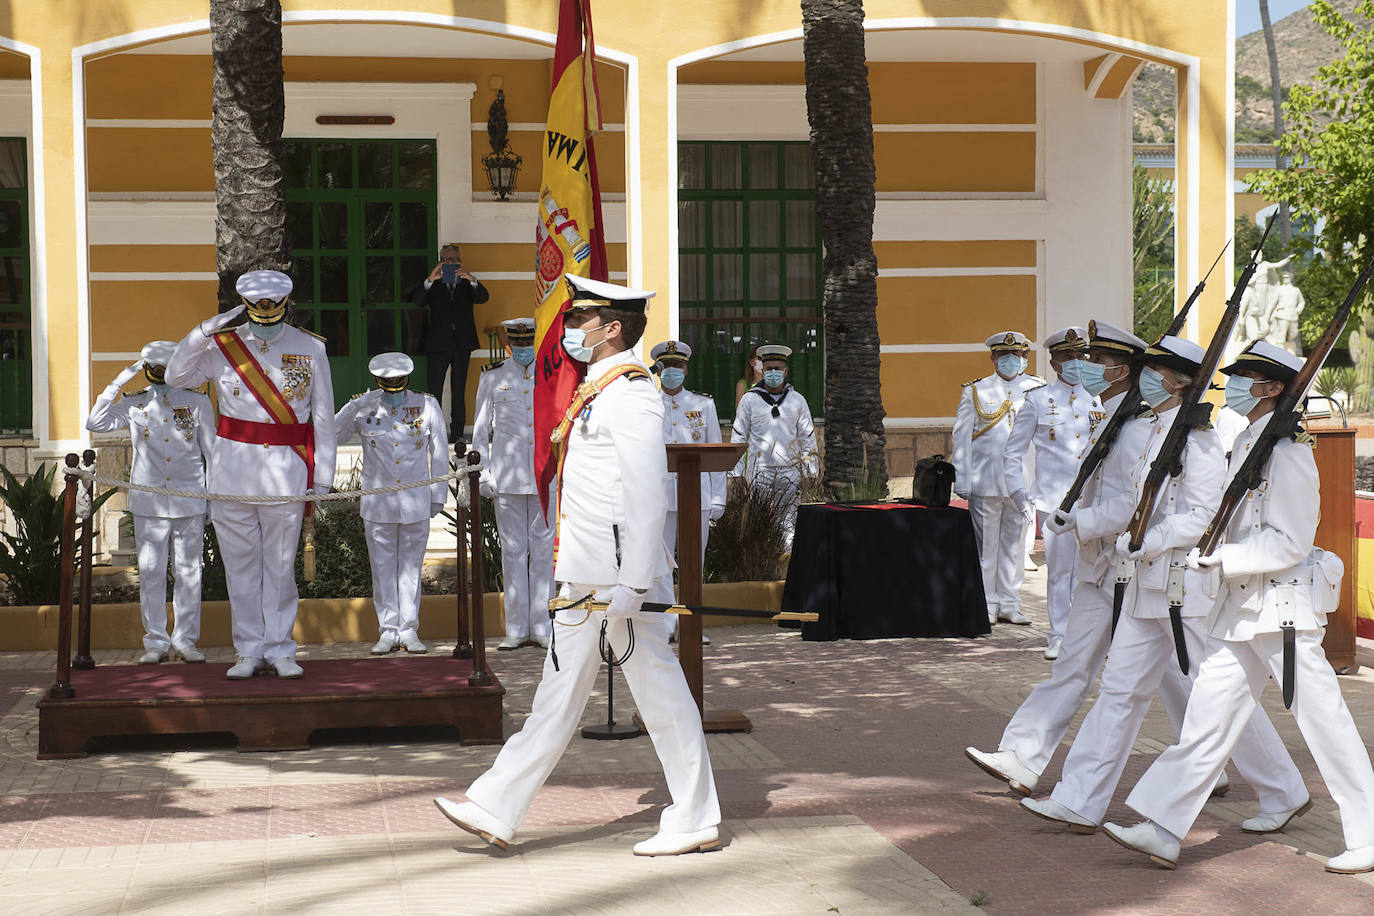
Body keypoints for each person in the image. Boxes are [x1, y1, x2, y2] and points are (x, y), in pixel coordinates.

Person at [434, 274, 721, 857]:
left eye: (577, 320)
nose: (565, 329)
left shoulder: (633, 392)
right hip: (586, 572)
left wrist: (635, 582)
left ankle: (694, 816)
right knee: (557, 693)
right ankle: (496, 804)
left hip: (619, 578)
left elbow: (645, 492)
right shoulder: (600, 387)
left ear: (611, 329)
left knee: (660, 695)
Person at [1017, 336, 1305, 837]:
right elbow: (1136, 500)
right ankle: (1078, 799)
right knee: (1119, 691)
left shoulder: (1199, 442)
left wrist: (1150, 540)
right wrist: (1099, 526)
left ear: (1178, 382)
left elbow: (1202, 515)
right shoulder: (1154, 430)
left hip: (1185, 590)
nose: (1145, 378)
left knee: (1217, 697)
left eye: (1155, 371)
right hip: (1145, 584)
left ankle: (1283, 788)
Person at [1106, 340, 1374, 874]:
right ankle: (1164, 828)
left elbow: (1292, 540)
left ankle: (1368, 831)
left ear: (1272, 389)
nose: (1234, 386)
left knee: (1324, 723)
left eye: (1246, 377)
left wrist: (1223, 559)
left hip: (1281, 608)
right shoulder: (1250, 440)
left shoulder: (1289, 452)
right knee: (1207, 721)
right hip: (1240, 608)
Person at [965, 322, 1218, 795]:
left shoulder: (1140, 427)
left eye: (1098, 361)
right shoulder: (1112, 417)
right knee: (1081, 665)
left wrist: (1082, 522)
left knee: (1176, 672)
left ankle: (1218, 763)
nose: (1086, 367)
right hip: (1101, 565)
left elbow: (1134, 504)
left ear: (1123, 371)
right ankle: (1022, 755)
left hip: (1128, 565)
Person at [165, 270, 336, 680]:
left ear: (284, 305)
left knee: (280, 566)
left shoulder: (310, 347)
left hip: (285, 472)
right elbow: (175, 376)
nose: (265, 314)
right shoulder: (223, 345)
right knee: (240, 568)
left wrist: (323, 479)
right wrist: (202, 331)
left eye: (272, 308)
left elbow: (324, 417)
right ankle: (248, 650)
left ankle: (280, 648)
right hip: (233, 473)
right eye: (256, 308)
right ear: (245, 307)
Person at [87, 340, 215, 665]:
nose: (158, 374)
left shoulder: (197, 401)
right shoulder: (134, 402)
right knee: (151, 572)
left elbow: (212, 454)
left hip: (190, 499)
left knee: (189, 573)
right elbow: (95, 422)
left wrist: (212, 501)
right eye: (152, 368)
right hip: (149, 503)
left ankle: (185, 640)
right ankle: (156, 642)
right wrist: (118, 381)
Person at [335, 352, 448, 656]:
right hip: (378, 505)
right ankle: (387, 630)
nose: (393, 388)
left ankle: (408, 629)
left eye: (398, 382)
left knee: (411, 569)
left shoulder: (426, 405)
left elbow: (439, 451)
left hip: (415, 502)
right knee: (383, 570)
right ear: (377, 382)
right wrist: (354, 406)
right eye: (387, 383)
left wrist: (438, 494)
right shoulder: (365, 407)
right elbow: (332, 434)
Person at [1002, 326, 1102, 658]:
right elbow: (1012, 452)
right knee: (1060, 571)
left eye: (1080, 355)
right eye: (1067, 356)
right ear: (1054, 362)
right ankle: (1059, 634)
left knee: (1095, 571)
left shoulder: (1101, 397)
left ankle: (1089, 634)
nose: (1075, 362)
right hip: (1054, 499)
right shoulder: (1037, 400)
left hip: (1095, 500)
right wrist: (1019, 493)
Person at [471, 318, 554, 651]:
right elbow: (480, 429)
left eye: (527, 343)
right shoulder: (492, 377)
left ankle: (542, 625)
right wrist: (483, 472)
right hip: (507, 478)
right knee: (513, 551)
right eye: (517, 344)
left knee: (543, 553)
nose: (522, 348)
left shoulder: (550, 375)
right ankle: (517, 627)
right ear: (509, 344)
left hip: (544, 477)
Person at [952, 331, 1044, 625]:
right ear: (992, 357)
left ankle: (1010, 602)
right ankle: (988, 603)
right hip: (986, 480)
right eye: (1004, 355)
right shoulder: (976, 390)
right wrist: (963, 479)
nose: (1010, 360)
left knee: (1015, 548)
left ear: (1024, 357)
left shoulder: (1037, 389)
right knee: (986, 549)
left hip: (1022, 482)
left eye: (1016, 355)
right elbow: (961, 437)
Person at [649, 339, 726, 644]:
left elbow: (716, 453)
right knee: (661, 565)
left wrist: (718, 497)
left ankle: (692, 626)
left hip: (697, 496)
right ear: (658, 370)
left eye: (678, 365)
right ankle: (667, 625)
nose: (672, 371)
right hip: (659, 498)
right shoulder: (648, 404)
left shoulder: (703, 405)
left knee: (694, 564)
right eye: (667, 365)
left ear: (686, 369)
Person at [729, 344, 818, 550]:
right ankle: (763, 565)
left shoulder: (797, 400)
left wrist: (810, 472)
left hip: (790, 472)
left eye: (778, 369)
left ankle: (786, 565)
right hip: (759, 472)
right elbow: (738, 437)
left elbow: (807, 438)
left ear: (786, 371)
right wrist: (736, 474)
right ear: (763, 370)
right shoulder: (749, 400)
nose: (773, 373)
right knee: (758, 524)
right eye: (769, 369)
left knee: (789, 526)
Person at [412, 243, 489, 444]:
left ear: (460, 261)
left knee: (459, 389)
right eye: (446, 259)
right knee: (434, 390)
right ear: (440, 262)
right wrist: (430, 279)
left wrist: (471, 279)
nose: (450, 263)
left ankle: (457, 433)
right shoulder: (433, 283)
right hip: (438, 343)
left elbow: (483, 298)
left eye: (454, 259)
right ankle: (434, 431)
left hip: (462, 343)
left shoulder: (467, 283)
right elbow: (417, 301)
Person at [1265, 270, 1306, 356]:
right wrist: (1268, 314)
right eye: (1283, 277)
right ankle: (1279, 353)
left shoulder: (1296, 290)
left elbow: (1301, 302)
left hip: (1293, 315)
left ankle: (1288, 349)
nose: (1285, 279)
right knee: (1281, 334)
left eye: (1287, 277)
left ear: (1290, 278)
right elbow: (1273, 302)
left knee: (1293, 333)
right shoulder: (1279, 289)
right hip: (1282, 314)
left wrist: (1298, 310)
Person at [734, 344, 764, 410]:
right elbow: (739, 410)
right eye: (759, 358)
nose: (763, 362)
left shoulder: (773, 384)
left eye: (766, 359)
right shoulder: (742, 385)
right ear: (752, 362)